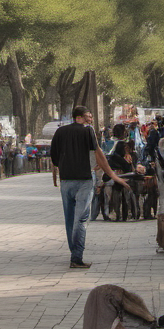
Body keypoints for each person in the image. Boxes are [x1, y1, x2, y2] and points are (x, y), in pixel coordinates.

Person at [50, 106, 127, 269]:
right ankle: (76, 257)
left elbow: (54, 158)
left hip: (66, 181)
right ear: (78, 117)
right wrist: (112, 175)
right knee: (81, 219)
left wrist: (58, 173)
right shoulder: (88, 131)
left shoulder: (60, 132)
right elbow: (98, 154)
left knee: (70, 218)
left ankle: (74, 252)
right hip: (84, 179)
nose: (90, 119)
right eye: (88, 116)